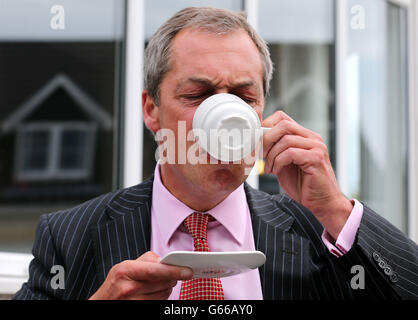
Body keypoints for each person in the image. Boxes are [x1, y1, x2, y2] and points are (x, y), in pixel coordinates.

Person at [14, 7, 417, 300]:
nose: (225, 118)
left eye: (244, 97)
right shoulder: (71, 237)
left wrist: (337, 210)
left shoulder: (320, 233)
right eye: (197, 95)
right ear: (151, 110)